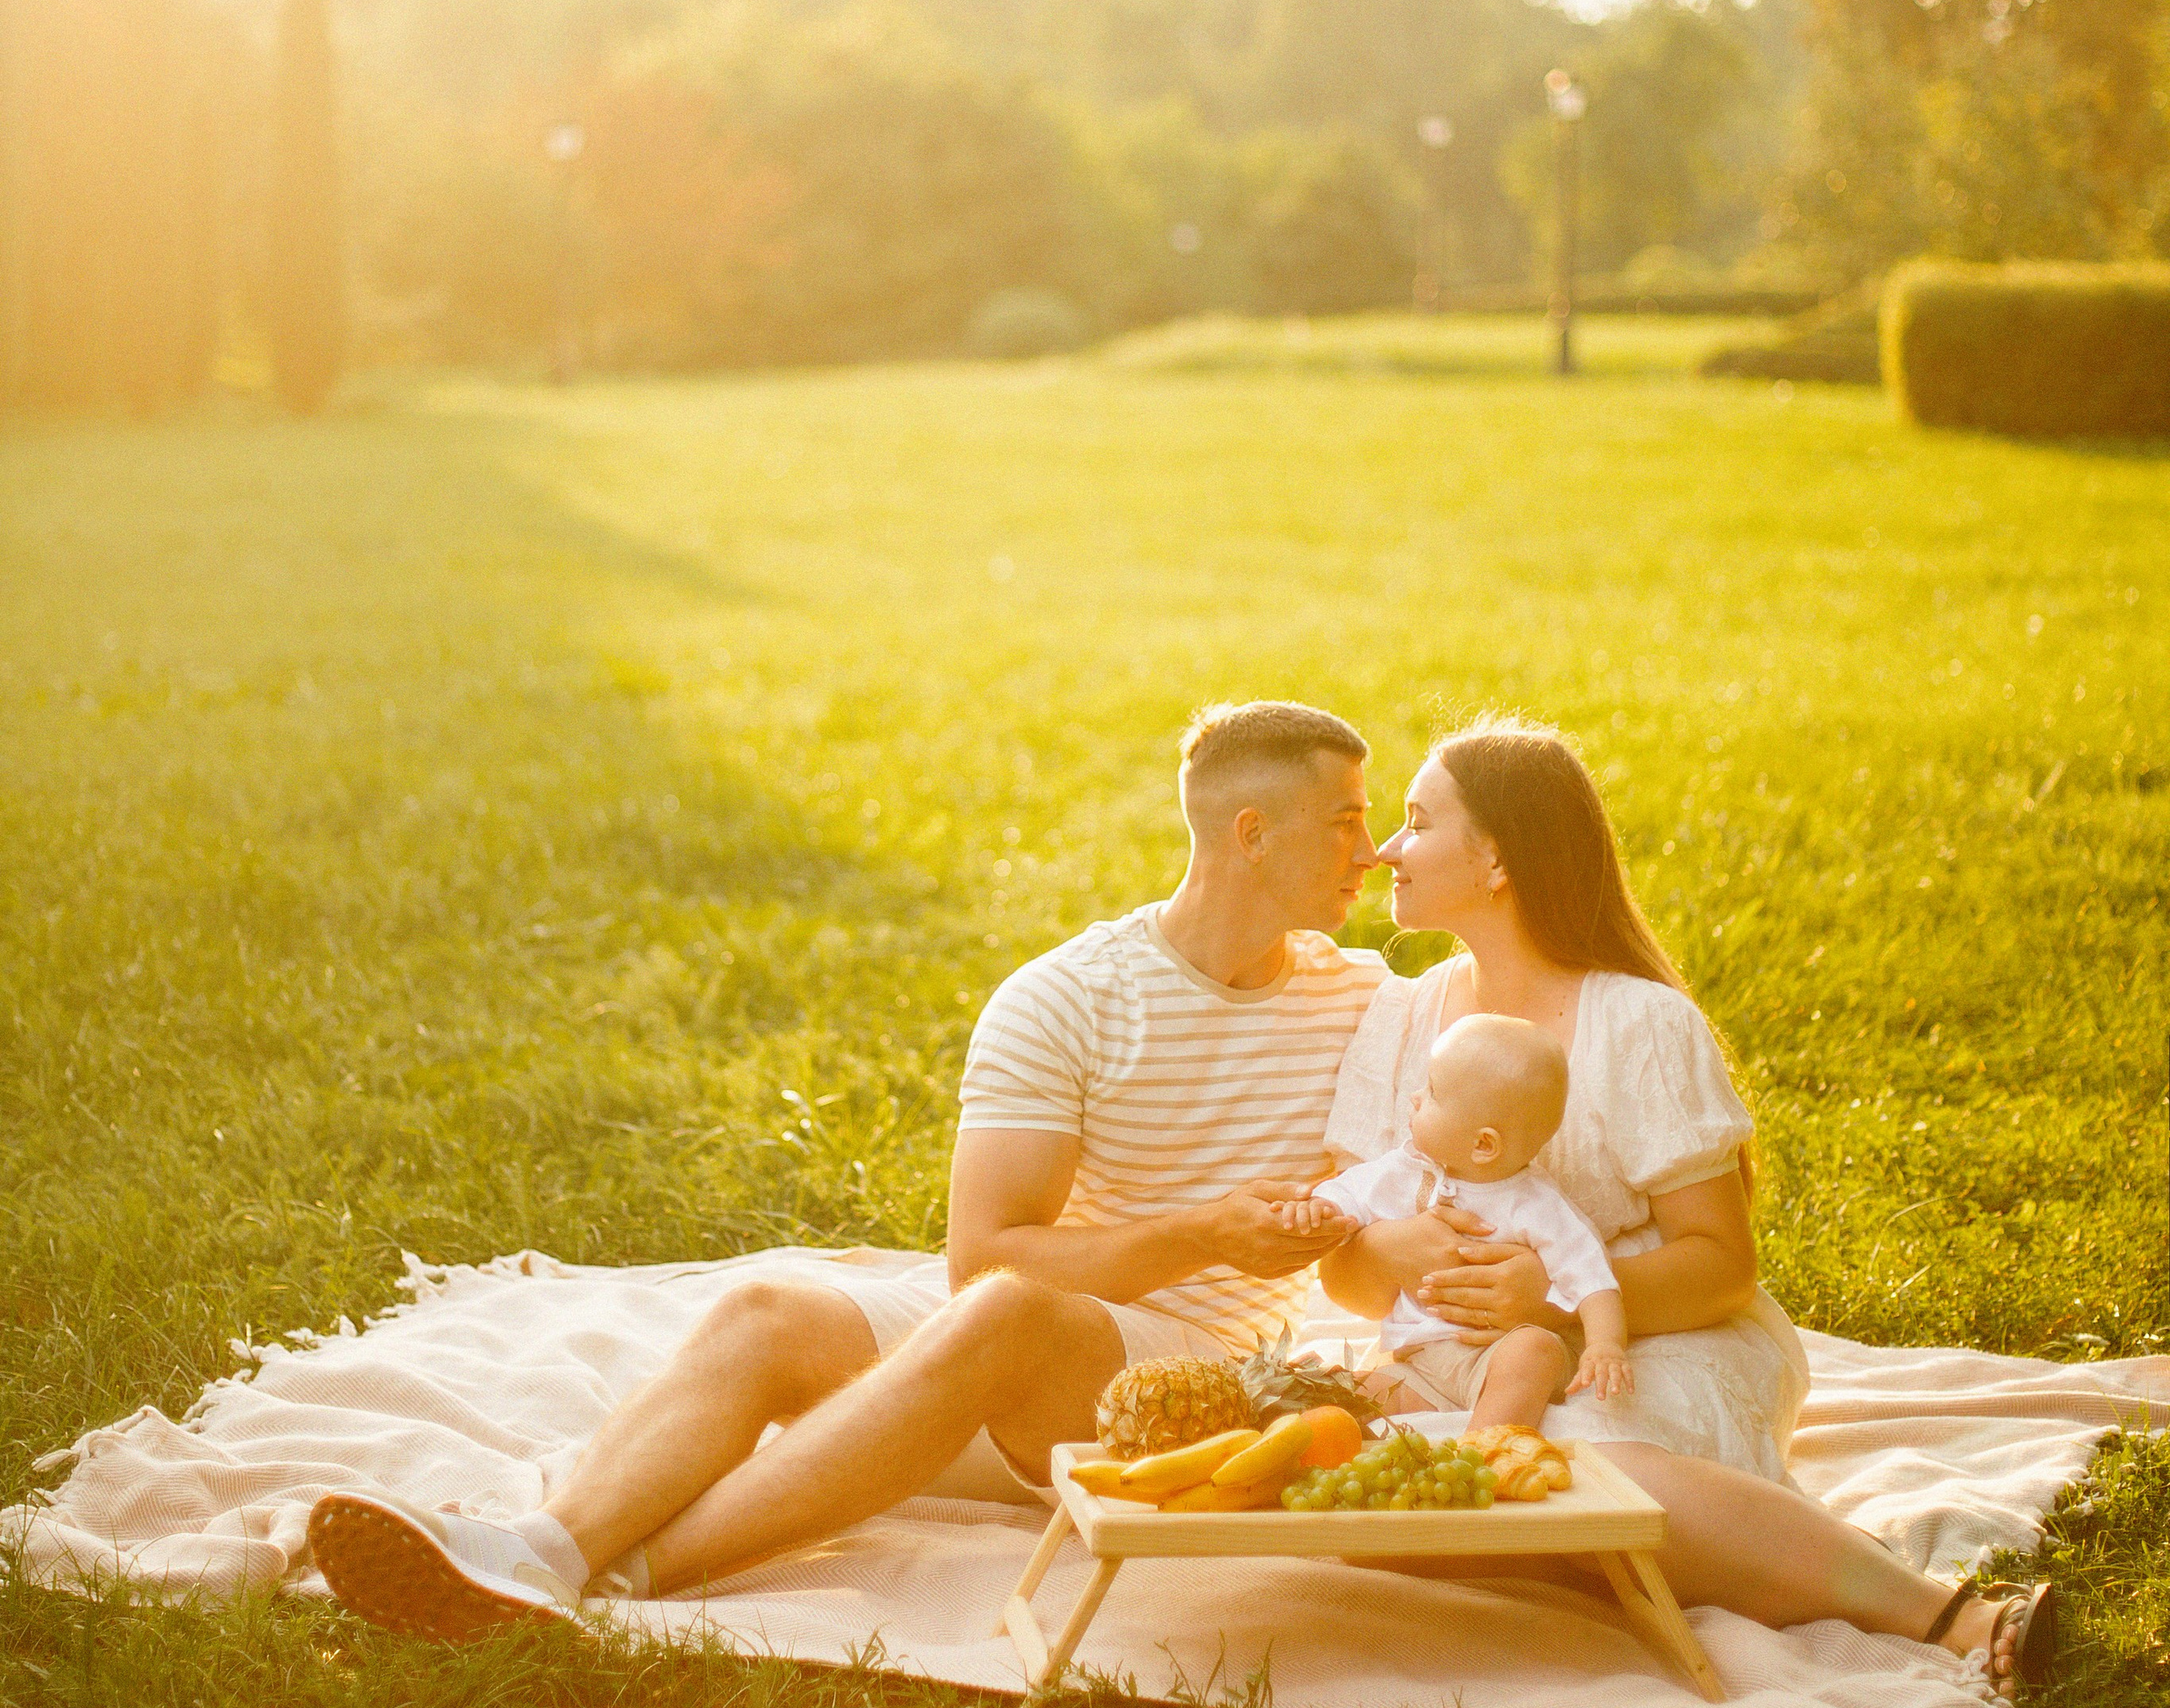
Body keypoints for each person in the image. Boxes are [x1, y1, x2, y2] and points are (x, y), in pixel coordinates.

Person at [309, 700, 1389, 1640]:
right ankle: (541, 1550)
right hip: (1038, 1354)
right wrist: (1203, 1229)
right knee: (771, 1310)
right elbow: (983, 1259)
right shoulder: (1066, 998)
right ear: (1251, 833)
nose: (1372, 850)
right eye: (1346, 822)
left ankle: (626, 1577)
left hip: (1215, 1385)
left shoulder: (1366, 996)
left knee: (1008, 1318)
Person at [1316, 713, 2055, 1699]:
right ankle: (1644, 1548)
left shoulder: (1638, 1023)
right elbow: (1343, 1267)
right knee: (1405, 1487)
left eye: (1416, 822)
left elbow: (1721, 1263)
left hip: (1661, 1335)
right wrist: (1401, 1251)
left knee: (1578, 1465)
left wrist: (1556, 1297)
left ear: (1495, 858)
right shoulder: (1399, 1017)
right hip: (1461, 1361)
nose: (1386, 848)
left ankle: (1948, 1612)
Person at [1296, 1010, 1629, 1433]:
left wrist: (1605, 1345)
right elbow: (1348, 1193)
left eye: (1432, 1093)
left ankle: (1485, 1454)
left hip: (1497, 1355)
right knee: (1342, 1395)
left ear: (1483, 1144)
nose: (1416, 1097)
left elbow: (1594, 1280)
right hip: (1422, 1366)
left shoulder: (1535, 1204)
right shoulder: (1407, 1170)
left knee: (1534, 1352)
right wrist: (1318, 1208)